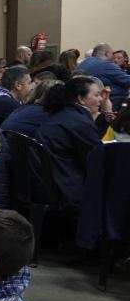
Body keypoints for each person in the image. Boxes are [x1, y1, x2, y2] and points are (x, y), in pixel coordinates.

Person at [36, 76, 109, 206]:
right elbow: (98, 159)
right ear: (81, 98)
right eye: (97, 95)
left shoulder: (61, 114)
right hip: (70, 189)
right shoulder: (78, 122)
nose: (100, 99)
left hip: (53, 184)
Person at [78, 43, 130, 108]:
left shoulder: (83, 63)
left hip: (86, 102)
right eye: (112, 54)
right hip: (111, 104)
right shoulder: (106, 65)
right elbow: (128, 81)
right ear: (107, 54)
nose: (113, 57)